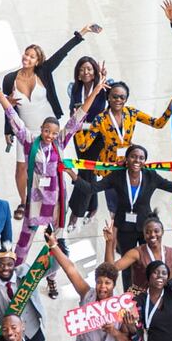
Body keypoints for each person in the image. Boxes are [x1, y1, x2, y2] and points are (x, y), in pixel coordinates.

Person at [0, 73, 105, 263]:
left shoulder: (60, 142)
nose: (50, 135)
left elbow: (78, 118)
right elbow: (13, 117)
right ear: (41, 128)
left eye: (53, 133)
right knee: (24, 241)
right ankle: (17, 269)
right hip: (36, 200)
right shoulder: (29, 141)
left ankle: (52, 278)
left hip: (56, 201)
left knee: (56, 243)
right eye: (46, 131)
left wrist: (95, 90)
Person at [66, 145, 172, 288]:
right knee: (126, 265)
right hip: (124, 227)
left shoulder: (150, 176)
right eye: (133, 156)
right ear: (126, 159)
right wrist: (72, 174)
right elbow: (92, 189)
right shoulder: (117, 176)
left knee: (148, 260)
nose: (137, 160)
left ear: (145, 161)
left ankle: (149, 290)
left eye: (141, 158)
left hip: (146, 228)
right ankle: (128, 294)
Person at [0, 25, 100, 211]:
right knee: (21, 167)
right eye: (26, 54)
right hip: (25, 129)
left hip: (49, 127)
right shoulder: (9, 79)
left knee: (53, 163)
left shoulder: (43, 71)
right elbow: (7, 107)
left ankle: (54, 198)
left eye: (32, 56)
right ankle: (24, 201)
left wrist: (83, 33)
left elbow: (63, 52)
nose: (27, 58)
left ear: (38, 61)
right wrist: (8, 130)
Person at [70, 87, 172, 234]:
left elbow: (158, 124)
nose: (118, 100)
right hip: (110, 169)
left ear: (126, 99)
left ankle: (134, 231)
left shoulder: (132, 113)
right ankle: (116, 235)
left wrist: (169, 109)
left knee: (132, 199)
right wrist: (78, 125)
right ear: (108, 98)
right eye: (115, 96)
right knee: (113, 205)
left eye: (122, 97)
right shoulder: (101, 119)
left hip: (131, 164)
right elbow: (82, 145)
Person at [67, 55, 112, 225]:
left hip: (97, 136)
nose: (85, 72)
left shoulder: (103, 87)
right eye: (82, 69)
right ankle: (93, 206)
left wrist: (105, 77)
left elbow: (116, 92)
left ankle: (76, 212)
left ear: (95, 72)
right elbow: (73, 109)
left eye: (89, 69)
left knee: (86, 172)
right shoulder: (75, 89)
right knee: (88, 172)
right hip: (79, 136)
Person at [0, 247, 48, 341]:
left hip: (33, 331)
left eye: (9, 264)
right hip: (11, 337)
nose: (5, 268)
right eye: (1, 265)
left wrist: (56, 247)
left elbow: (50, 267)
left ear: (14, 264)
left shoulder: (26, 272)